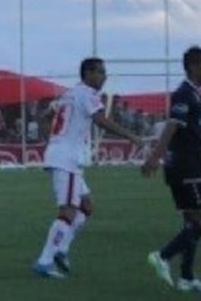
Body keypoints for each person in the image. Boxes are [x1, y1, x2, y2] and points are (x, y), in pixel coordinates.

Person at [33, 56, 142, 278]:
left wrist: (54, 138)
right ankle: (44, 262)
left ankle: (61, 250)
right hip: (67, 159)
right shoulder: (87, 94)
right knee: (68, 210)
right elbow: (101, 120)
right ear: (88, 74)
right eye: (101, 72)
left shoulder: (69, 93)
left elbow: (45, 115)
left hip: (64, 155)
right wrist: (130, 135)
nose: (104, 77)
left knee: (86, 206)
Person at [142, 45, 201, 291]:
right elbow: (171, 127)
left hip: (192, 165)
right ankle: (162, 256)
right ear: (193, 67)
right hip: (185, 167)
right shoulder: (183, 94)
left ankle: (186, 277)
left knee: (191, 223)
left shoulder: (195, 94)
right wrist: (154, 158)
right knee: (197, 223)